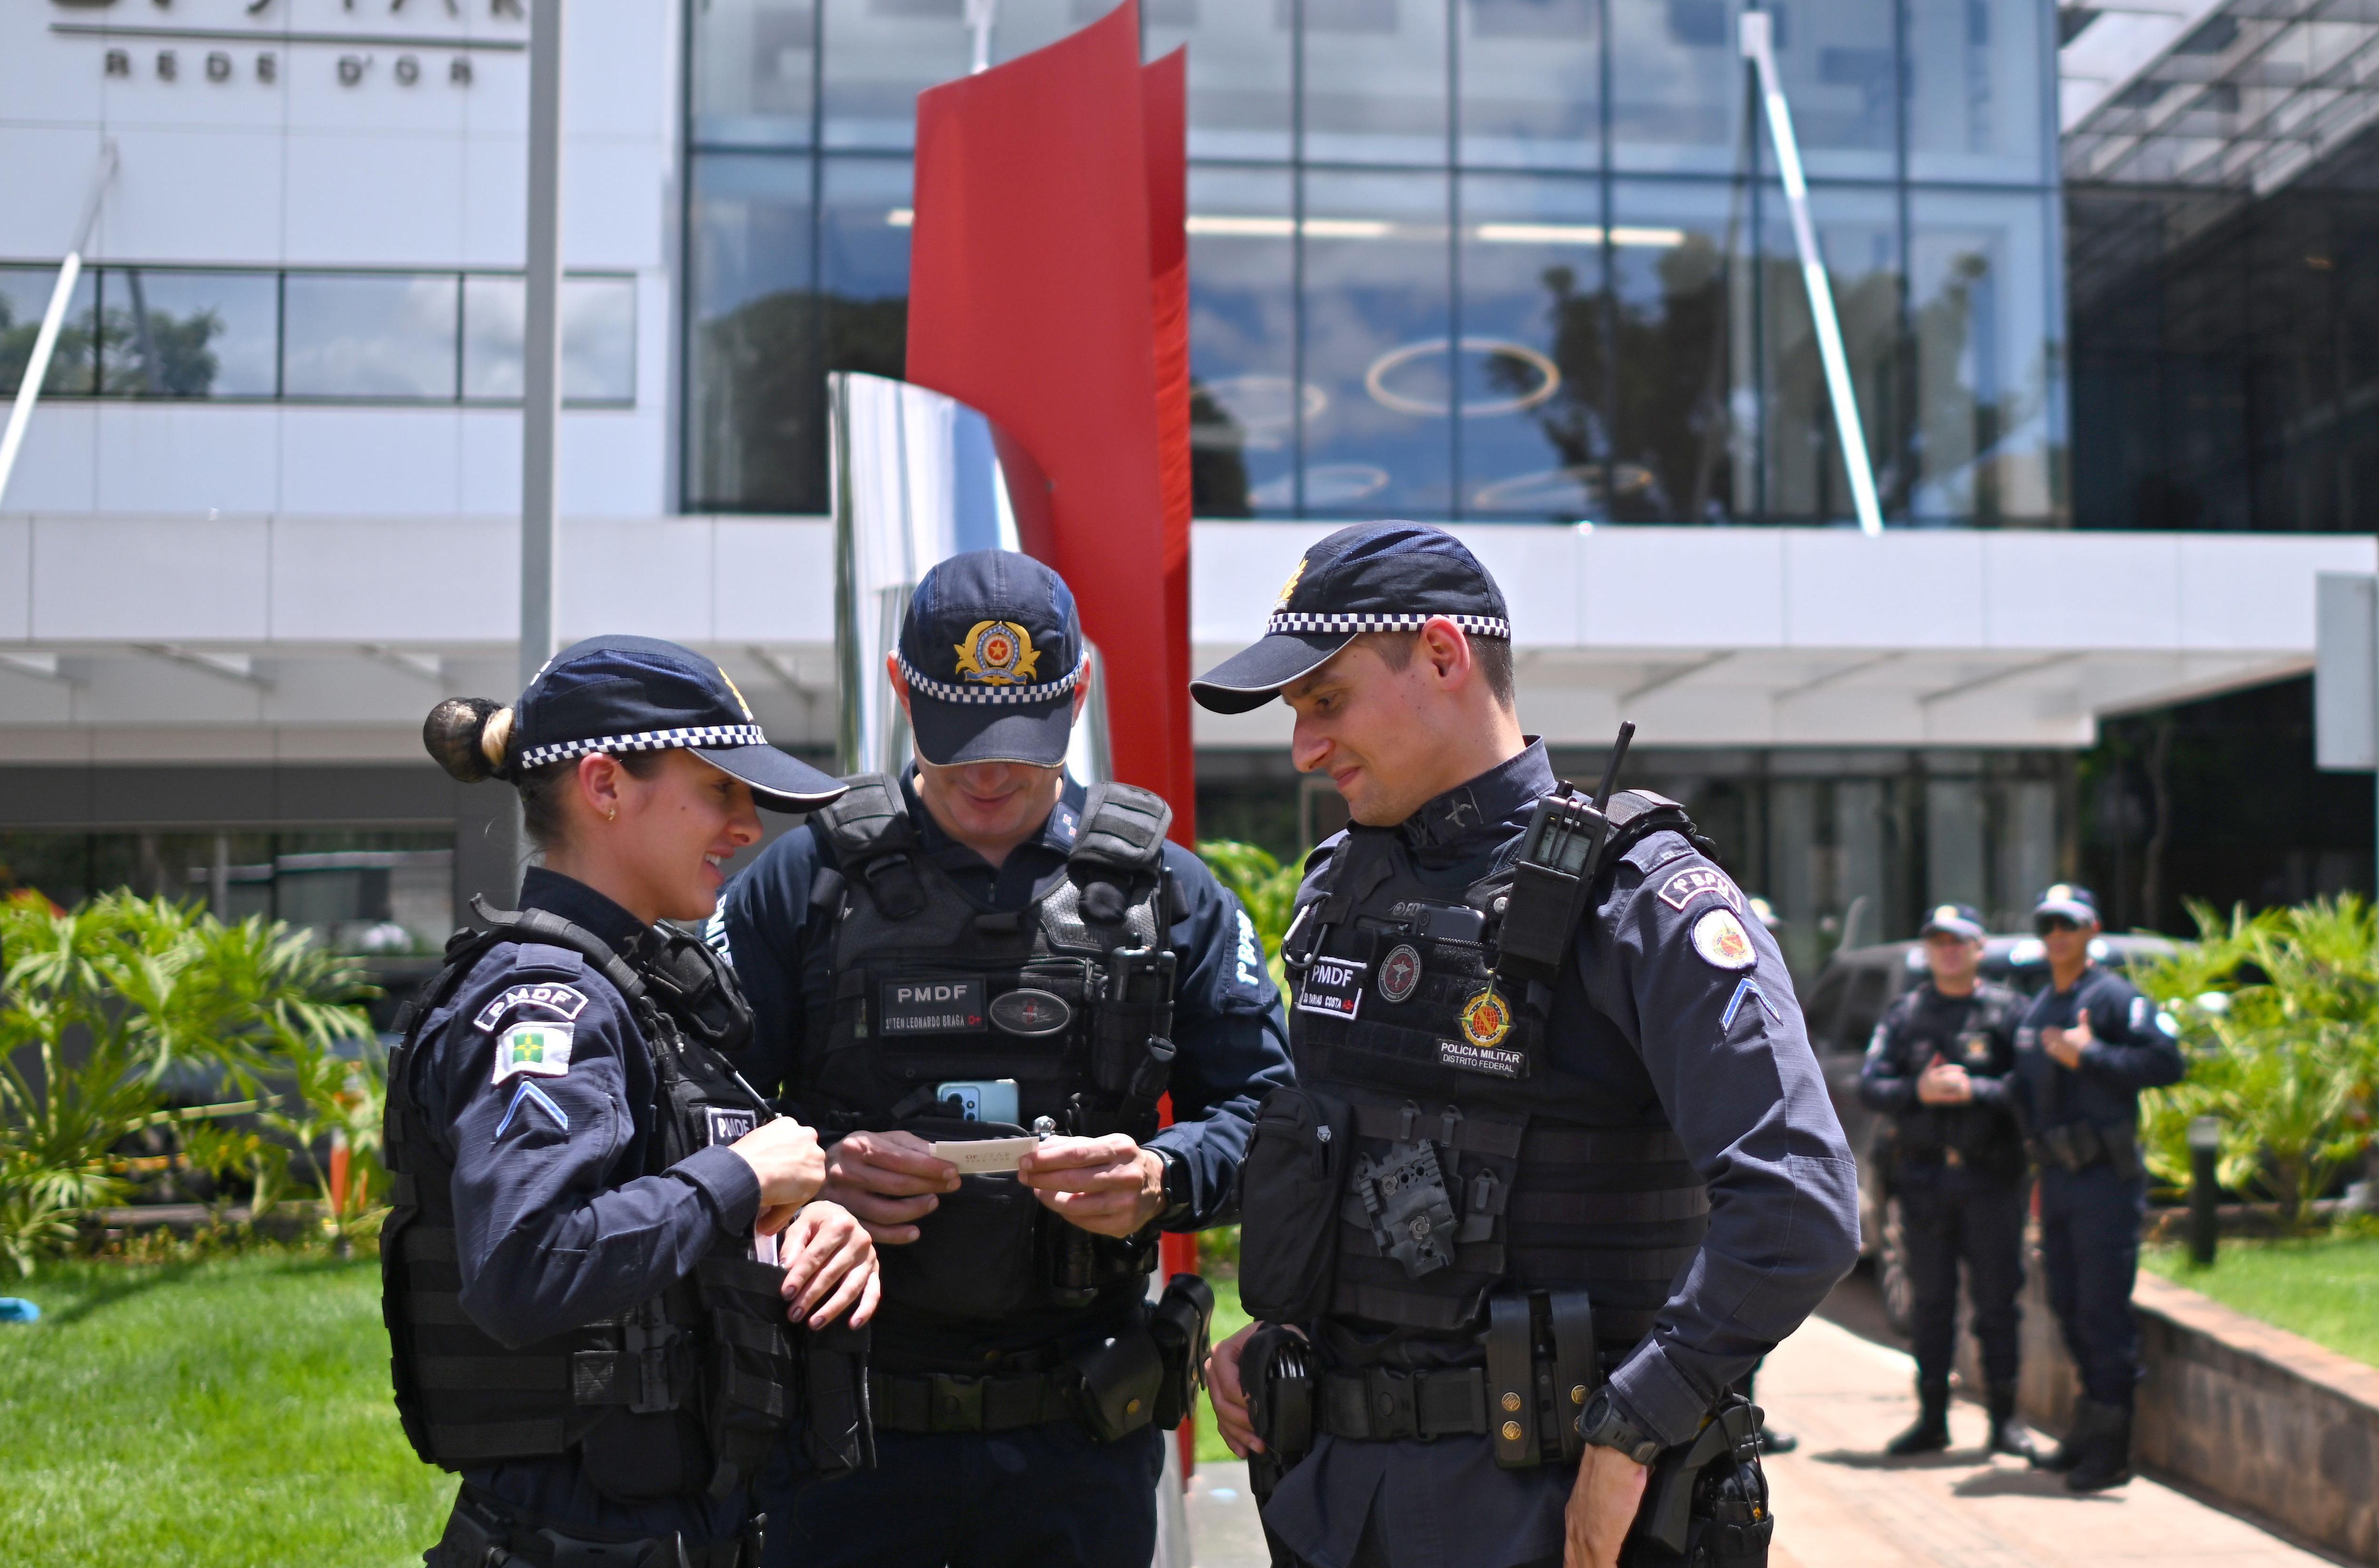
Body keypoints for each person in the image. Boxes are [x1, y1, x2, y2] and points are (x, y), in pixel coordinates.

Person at [1190, 520, 1860, 1568]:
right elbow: (1351, 1177)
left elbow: (1799, 1203)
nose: (1304, 747)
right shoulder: (1339, 894)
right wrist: (1284, 1341)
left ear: (1446, 657)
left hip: (1562, 1519)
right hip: (1340, 1508)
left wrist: (1639, 1422)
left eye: (1326, 701)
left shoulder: (1643, 902)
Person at [709, 549, 1296, 1568]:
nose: (988, 771)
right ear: (900, 690)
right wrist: (812, 1182)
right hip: (844, 1433)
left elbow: (1274, 1115)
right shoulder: (802, 885)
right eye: (957, 738)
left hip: (1075, 1437)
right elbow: (701, 1117)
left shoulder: (1171, 895)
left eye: (1023, 742)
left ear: (1077, 695)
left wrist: (1163, 1176)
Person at [392, 637, 884, 1568]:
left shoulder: (643, 992)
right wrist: (741, 1176)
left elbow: (665, 1228)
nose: (748, 825)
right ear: (606, 785)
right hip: (574, 1536)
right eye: (721, 790)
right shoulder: (547, 1004)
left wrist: (803, 1225)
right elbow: (526, 1263)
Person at [2008, 885, 2182, 1493]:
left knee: (2103, 1314)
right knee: (2069, 1310)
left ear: (2092, 930)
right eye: (2048, 924)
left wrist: (2094, 1056)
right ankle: (2087, 1431)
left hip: (2105, 1184)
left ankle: (2112, 1451)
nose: (2057, 934)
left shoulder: (2114, 999)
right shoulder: (2038, 1008)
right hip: (2056, 1183)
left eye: (2069, 924)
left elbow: (2168, 1062)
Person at [1853, 903, 2033, 1458]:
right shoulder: (1907, 1014)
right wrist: (1919, 1092)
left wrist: (1975, 1091)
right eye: (1938, 941)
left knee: (1998, 1301)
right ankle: (1932, 1417)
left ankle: (2005, 1420)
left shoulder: (2008, 1012)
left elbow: (2031, 1089)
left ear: (1979, 948)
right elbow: (1870, 1085)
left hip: (1991, 1180)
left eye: (1959, 941)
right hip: (1925, 1180)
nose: (1948, 950)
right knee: (1930, 1304)